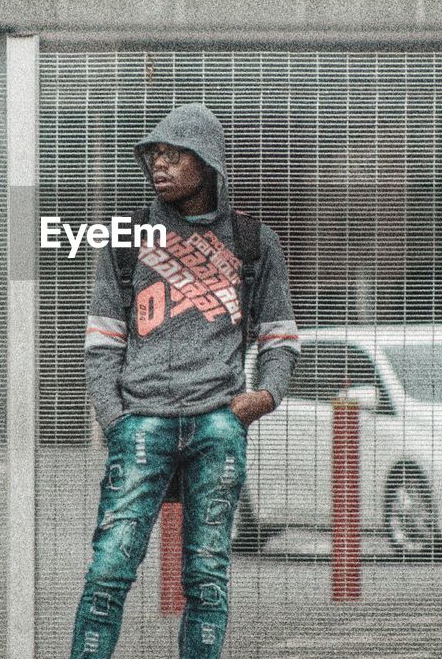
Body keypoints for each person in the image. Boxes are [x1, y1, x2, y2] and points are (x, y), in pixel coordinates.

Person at [69, 102, 300, 659]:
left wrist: (262, 398)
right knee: (109, 569)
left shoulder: (252, 241)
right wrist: (115, 419)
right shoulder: (126, 241)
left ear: (208, 161)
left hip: (217, 425)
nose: (160, 166)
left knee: (207, 577)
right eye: (153, 155)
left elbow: (281, 336)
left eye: (173, 155)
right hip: (140, 423)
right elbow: (102, 340)